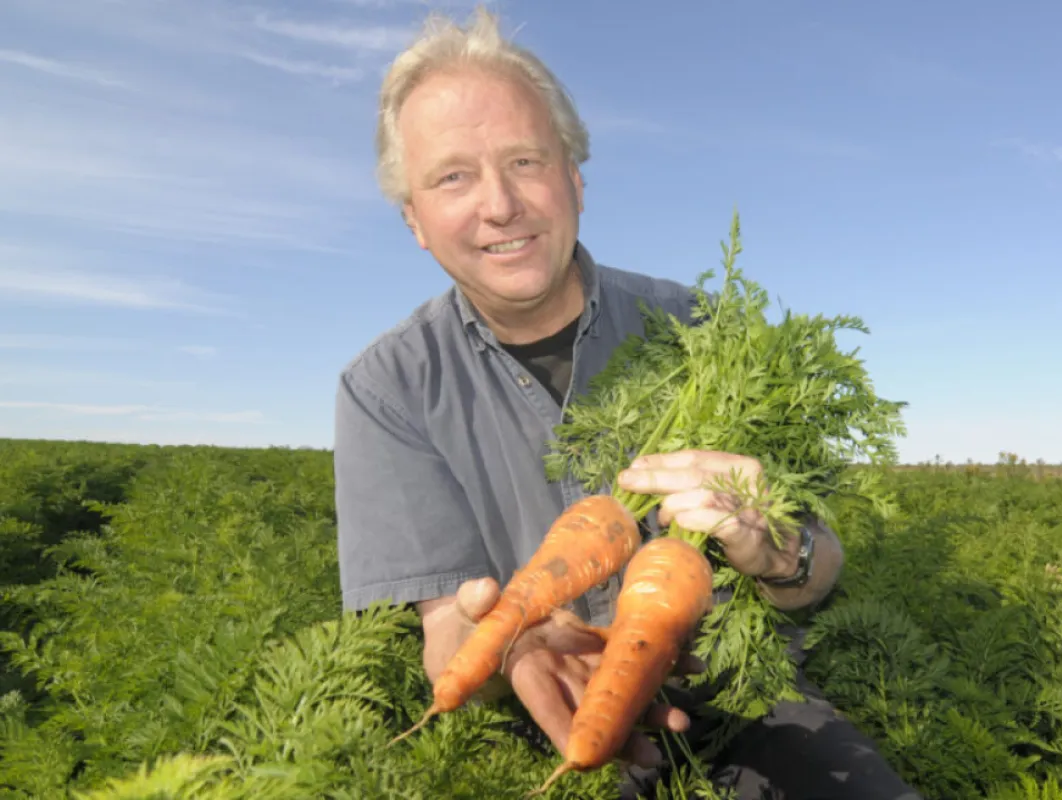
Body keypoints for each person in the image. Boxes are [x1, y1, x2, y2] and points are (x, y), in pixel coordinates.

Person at [333, 6, 922, 798]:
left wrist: (778, 551)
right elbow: (447, 631)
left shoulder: (707, 332)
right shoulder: (386, 389)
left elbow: (820, 566)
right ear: (414, 221)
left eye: (525, 161)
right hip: (555, 713)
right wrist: (502, 642)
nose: (500, 204)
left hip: (748, 700)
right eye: (452, 177)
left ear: (574, 180)